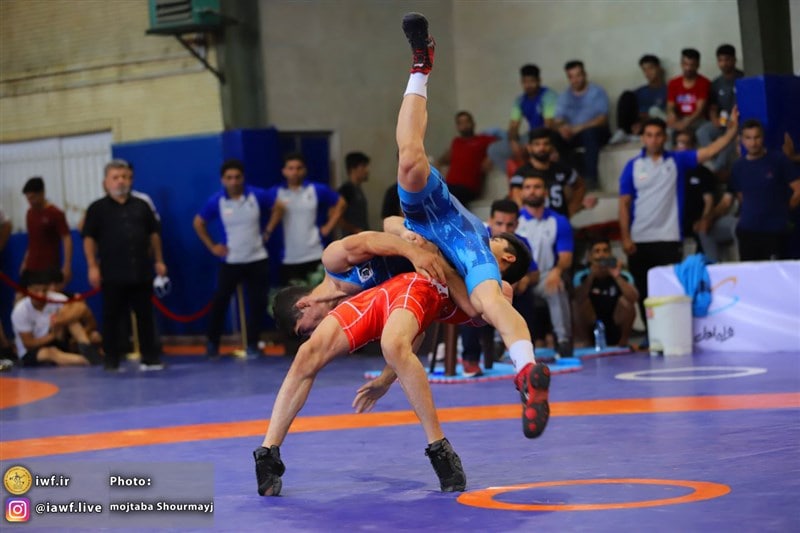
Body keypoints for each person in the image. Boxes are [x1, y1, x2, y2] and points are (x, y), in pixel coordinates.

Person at [392, 12, 550, 439]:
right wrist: (404, 237)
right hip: (439, 216)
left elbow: (495, 302)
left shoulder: (490, 269)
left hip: (444, 238)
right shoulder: (482, 242)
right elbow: (390, 223)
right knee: (410, 158)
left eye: (501, 239)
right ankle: (420, 68)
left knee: (493, 302)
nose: (496, 234)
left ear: (507, 258)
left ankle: (527, 370)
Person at [256, 272, 489, 496]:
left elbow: (381, 244)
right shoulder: (344, 303)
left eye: (305, 329)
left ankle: (439, 447)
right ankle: (267, 454)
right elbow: (415, 334)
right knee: (307, 355)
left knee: (493, 302)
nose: (311, 333)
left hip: (415, 286)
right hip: (387, 302)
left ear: (304, 305)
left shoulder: (337, 267)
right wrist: (386, 379)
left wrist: (416, 253)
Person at [619, 115, 739, 336]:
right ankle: (652, 337)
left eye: (658, 135)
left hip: (669, 238)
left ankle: (671, 336)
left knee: (671, 292)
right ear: (643, 138)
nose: (653, 140)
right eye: (649, 135)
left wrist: (731, 131)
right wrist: (625, 237)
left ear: (665, 138)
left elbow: (708, 152)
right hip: (639, 239)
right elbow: (624, 204)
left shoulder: (677, 160)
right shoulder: (632, 166)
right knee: (644, 292)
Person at [82, 159, 167, 372]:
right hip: (112, 272)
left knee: (145, 316)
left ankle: (150, 357)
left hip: (140, 270)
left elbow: (154, 234)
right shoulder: (97, 208)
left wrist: (159, 260)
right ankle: (112, 359)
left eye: (125, 177)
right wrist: (92, 266)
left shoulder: (142, 205)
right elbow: (89, 238)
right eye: (116, 177)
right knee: (112, 317)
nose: (121, 181)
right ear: (106, 182)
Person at [193, 159, 282, 358]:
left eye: (237, 177)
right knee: (220, 301)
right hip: (231, 260)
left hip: (257, 258)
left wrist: (268, 231)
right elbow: (198, 222)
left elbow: (278, 208)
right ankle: (212, 342)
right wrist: (213, 246)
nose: (233, 181)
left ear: (243, 178)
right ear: (223, 180)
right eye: (229, 178)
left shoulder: (257, 195)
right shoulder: (217, 201)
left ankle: (253, 343)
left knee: (258, 303)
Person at [460, 199, 539, 377]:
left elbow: (535, 273)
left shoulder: (520, 244)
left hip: (509, 287)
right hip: (476, 289)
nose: (504, 229)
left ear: (517, 224)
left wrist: (524, 279)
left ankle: (524, 357)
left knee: (525, 293)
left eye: (510, 225)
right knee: (471, 302)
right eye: (499, 223)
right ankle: (471, 359)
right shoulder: (477, 236)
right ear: (490, 221)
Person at [710, 119, 800, 261]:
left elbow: (798, 189)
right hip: (747, 232)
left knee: (774, 273)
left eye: (757, 137)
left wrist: (784, 210)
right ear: (742, 140)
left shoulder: (778, 160)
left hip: (774, 232)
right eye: (748, 138)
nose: (753, 143)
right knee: (750, 273)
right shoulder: (738, 167)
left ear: (762, 138)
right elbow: (730, 200)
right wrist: (708, 217)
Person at [516, 173, 574, 357]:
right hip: (519, 275)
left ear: (546, 192)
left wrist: (557, 271)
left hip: (545, 275)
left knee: (557, 286)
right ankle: (499, 343)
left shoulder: (559, 221)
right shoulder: (514, 221)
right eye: (527, 187)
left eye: (537, 187)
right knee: (502, 288)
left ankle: (563, 341)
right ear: (521, 193)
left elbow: (566, 256)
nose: (532, 191)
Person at [269, 153, 346, 286]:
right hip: (289, 258)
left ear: (304, 170)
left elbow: (341, 203)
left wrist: (328, 227)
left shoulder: (316, 189)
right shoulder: (276, 192)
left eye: (298, 168)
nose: (295, 172)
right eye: (291, 168)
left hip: (315, 253)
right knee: (293, 297)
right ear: (284, 171)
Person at [11, 271, 101, 368]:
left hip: (58, 340)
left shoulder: (55, 298)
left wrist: (60, 320)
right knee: (50, 352)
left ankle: (86, 346)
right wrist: (52, 336)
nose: (41, 295)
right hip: (32, 351)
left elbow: (82, 308)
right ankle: (89, 359)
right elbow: (29, 344)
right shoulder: (20, 310)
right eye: (36, 291)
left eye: (44, 290)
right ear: (29, 290)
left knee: (76, 324)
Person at [673, 130, 735, 262]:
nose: (683, 147)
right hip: (673, 224)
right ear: (674, 147)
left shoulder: (704, 173)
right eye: (680, 143)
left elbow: (709, 201)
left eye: (687, 143)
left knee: (704, 231)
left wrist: (705, 219)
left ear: (693, 147)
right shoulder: (668, 171)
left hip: (696, 221)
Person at [552, 60, 610, 189]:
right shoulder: (564, 96)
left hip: (596, 131)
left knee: (589, 134)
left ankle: (591, 179)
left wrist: (579, 128)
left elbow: (602, 119)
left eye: (578, 75)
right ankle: (567, 180)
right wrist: (562, 128)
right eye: (571, 77)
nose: (575, 80)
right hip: (574, 134)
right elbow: (558, 119)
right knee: (555, 137)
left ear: (585, 74)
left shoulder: (597, 92)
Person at [489, 64, 558, 172]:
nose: (528, 85)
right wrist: (514, 142)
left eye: (532, 81)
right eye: (525, 82)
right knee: (494, 150)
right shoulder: (520, 100)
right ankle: (519, 176)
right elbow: (513, 126)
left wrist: (530, 145)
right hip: (530, 135)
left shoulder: (548, 96)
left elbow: (548, 126)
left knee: (538, 145)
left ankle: (531, 173)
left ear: (539, 80)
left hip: (549, 135)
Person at [573, 238, 638, 347]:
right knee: (577, 305)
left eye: (605, 250)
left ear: (610, 254)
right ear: (590, 256)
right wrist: (591, 276)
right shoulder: (581, 276)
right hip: (592, 323)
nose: (601, 255)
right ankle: (586, 342)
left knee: (627, 303)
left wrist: (616, 276)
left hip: (615, 321)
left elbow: (634, 298)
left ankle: (623, 341)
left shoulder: (623, 274)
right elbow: (578, 299)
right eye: (597, 251)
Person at [512, 127, 590, 218]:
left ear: (551, 147)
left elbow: (579, 186)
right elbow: (516, 195)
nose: (542, 148)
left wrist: (571, 209)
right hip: (535, 222)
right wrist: (526, 218)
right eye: (537, 144)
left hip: (559, 221)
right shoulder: (521, 173)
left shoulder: (562, 169)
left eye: (546, 144)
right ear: (529, 148)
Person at [697, 44, 745, 176]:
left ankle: (715, 170)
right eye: (720, 60)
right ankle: (714, 160)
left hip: (740, 122)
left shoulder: (744, 78)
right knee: (702, 131)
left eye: (727, 59)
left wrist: (735, 122)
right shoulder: (716, 83)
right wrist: (715, 119)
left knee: (727, 140)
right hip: (723, 121)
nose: (724, 63)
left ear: (734, 60)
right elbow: (713, 107)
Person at [20, 177, 72, 289]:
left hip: (49, 267)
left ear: (42, 193)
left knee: (48, 296)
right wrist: (25, 262)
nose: (30, 202)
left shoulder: (55, 213)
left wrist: (67, 265)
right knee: (21, 297)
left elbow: (66, 238)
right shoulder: (29, 213)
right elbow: (32, 240)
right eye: (28, 198)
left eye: (33, 198)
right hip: (31, 266)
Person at [437, 111, 497, 205]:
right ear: (457, 127)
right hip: (450, 186)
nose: (464, 125)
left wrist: (491, 156)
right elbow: (444, 159)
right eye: (460, 123)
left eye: (466, 121)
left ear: (473, 123)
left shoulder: (483, 140)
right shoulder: (456, 142)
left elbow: (501, 144)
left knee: (448, 197)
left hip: (468, 188)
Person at [612, 54, 667, 142]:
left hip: (656, 122)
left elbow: (663, 114)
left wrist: (645, 120)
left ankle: (639, 135)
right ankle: (622, 132)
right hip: (638, 123)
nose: (648, 73)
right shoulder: (639, 91)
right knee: (626, 95)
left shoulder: (667, 90)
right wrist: (639, 120)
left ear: (659, 69)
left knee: (654, 112)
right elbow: (631, 112)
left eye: (651, 68)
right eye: (645, 70)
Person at [666, 48, 711, 134]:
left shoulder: (704, 83)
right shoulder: (673, 83)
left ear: (698, 65)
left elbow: (699, 110)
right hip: (678, 118)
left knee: (702, 131)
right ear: (681, 64)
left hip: (696, 120)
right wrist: (672, 114)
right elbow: (670, 105)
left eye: (692, 65)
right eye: (685, 64)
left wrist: (685, 122)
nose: (688, 68)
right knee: (665, 128)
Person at [337, 151, 371, 237]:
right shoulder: (346, 190)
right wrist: (355, 230)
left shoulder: (358, 189)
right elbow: (337, 218)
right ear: (353, 169)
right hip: (351, 238)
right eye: (363, 166)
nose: (367, 171)